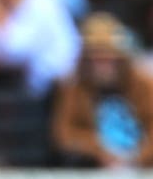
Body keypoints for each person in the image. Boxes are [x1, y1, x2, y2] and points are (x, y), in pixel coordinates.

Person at [51, 13, 153, 168]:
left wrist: (138, 158)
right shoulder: (74, 88)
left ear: (120, 59)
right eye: (97, 59)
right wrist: (98, 151)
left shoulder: (144, 84)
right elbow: (64, 134)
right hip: (94, 170)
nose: (103, 66)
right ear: (86, 61)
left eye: (108, 59)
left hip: (143, 170)